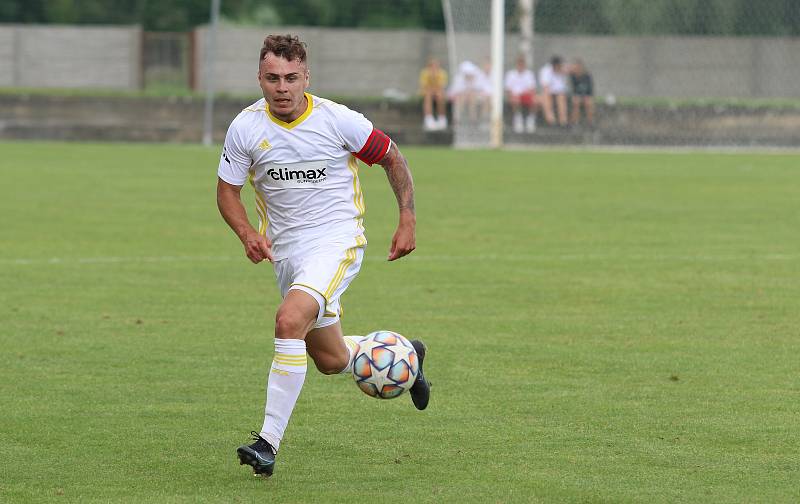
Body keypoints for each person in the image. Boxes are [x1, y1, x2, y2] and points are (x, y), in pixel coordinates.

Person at [216, 34, 431, 478]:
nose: (282, 87)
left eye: (291, 78)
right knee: (330, 361)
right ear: (259, 77)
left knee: (288, 320)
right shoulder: (245, 128)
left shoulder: (338, 120)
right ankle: (406, 356)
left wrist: (407, 219)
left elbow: (392, 158)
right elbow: (227, 192)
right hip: (287, 253)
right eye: (272, 78)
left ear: (306, 78)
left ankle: (267, 444)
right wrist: (245, 234)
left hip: (337, 240)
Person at [504, 56, 537, 133]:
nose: (520, 66)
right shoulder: (511, 74)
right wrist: (513, 95)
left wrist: (526, 94)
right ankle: (518, 120)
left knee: (535, 99)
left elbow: (532, 89)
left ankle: (530, 120)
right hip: (515, 96)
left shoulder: (529, 74)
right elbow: (508, 89)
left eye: (522, 64)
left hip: (526, 95)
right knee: (515, 99)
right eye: (519, 64)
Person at [418, 57, 448, 131]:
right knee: (428, 96)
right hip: (427, 92)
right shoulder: (425, 73)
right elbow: (424, 86)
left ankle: (442, 118)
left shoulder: (442, 73)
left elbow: (441, 86)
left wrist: (435, 90)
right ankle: (429, 119)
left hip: (438, 92)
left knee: (440, 96)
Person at [538, 55, 569, 126]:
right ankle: (551, 120)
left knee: (561, 98)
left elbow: (562, 88)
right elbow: (545, 87)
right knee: (546, 97)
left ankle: (563, 121)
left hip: (559, 93)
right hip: (548, 92)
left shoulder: (562, 70)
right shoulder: (545, 71)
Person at [570, 58, 595, 126]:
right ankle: (575, 122)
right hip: (576, 94)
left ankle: (590, 122)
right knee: (576, 102)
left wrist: (584, 95)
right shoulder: (572, 76)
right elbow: (573, 89)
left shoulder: (587, 76)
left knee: (588, 102)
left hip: (586, 94)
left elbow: (590, 89)